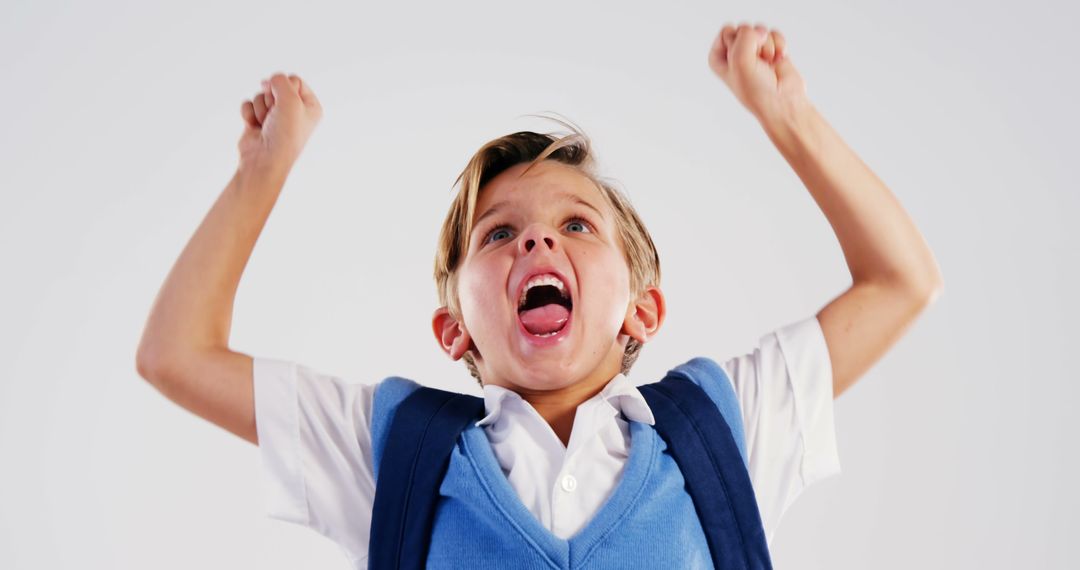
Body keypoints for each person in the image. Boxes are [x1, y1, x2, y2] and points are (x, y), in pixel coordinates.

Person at [135, 21, 944, 568]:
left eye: (578, 227)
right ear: (453, 329)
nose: (537, 241)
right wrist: (260, 173)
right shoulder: (394, 449)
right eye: (497, 234)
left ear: (643, 311)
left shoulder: (723, 426)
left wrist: (786, 113)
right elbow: (176, 355)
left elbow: (900, 280)